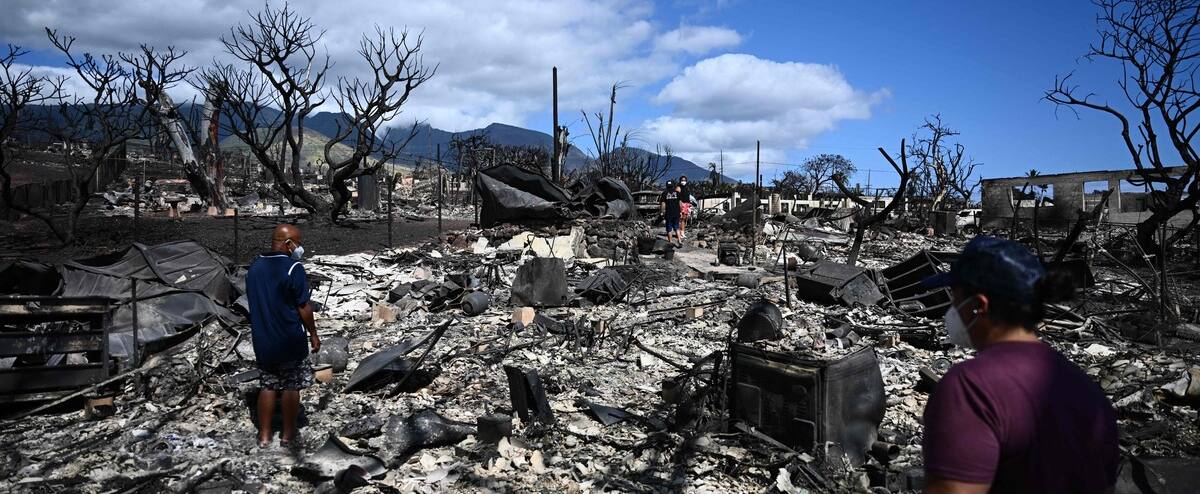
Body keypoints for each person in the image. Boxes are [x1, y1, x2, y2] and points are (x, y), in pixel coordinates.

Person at [920, 236, 1117, 494]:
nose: (952, 309)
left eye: (955, 299)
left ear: (979, 306)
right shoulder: (1085, 388)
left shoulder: (971, 389)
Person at [246, 224, 321, 448]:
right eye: (297, 243)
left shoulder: (255, 266)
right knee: (291, 386)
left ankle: (264, 436)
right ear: (288, 244)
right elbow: (303, 307)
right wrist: (313, 334)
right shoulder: (292, 268)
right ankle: (288, 435)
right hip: (289, 337)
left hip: (263, 338)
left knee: (268, 385)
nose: (299, 248)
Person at [659, 180, 682, 246]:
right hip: (676, 213)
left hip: (668, 213)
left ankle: (671, 242)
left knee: (669, 228)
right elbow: (680, 204)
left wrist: (662, 212)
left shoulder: (664, 193)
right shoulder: (677, 193)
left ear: (666, 186)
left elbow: (663, 204)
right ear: (673, 186)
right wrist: (680, 211)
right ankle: (680, 241)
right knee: (676, 227)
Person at [677, 175, 695, 239]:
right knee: (680, 219)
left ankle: (683, 232)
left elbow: (688, 197)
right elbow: (677, 197)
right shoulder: (678, 188)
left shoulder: (687, 188)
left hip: (687, 204)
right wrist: (680, 205)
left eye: (684, 180)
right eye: (682, 180)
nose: (683, 181)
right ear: (680, 181)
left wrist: (690, 205)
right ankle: (678, 232)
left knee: (684, 219)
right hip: (681, 204)